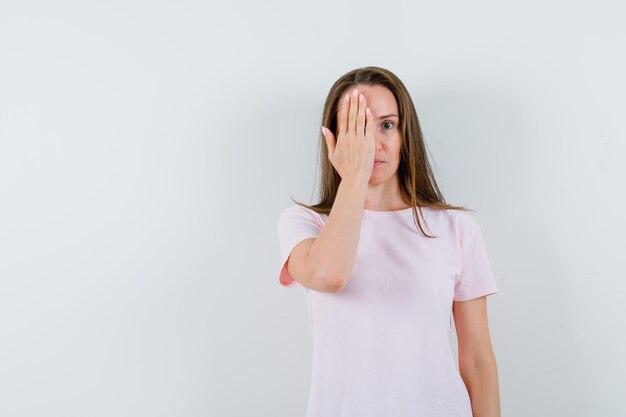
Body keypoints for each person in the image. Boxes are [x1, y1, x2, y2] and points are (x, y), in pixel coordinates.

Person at [276, 66, 501, 417]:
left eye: (386, 125)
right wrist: (355, 175)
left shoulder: (457, 228)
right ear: (334, 139)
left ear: (405, 134)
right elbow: (330, 275)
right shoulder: (306, 224)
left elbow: (477, 362)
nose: (372, 144)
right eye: (357, 127)